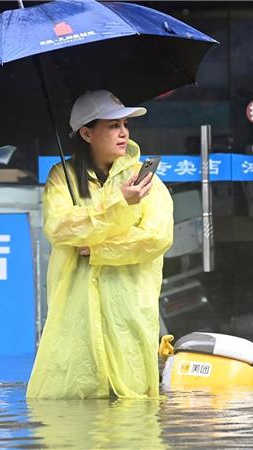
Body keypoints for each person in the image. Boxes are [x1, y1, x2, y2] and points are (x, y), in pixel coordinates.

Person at [26, 90, 174, 399]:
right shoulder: (61, 178)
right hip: (75, 311)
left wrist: (98, 250)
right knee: (72, 404)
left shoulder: (144, 180)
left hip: (129, 309)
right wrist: (120, 204)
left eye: (125, 124)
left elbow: (156, 237)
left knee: (134, 411)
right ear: (86, 133)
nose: (124, 132)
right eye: (112, 125)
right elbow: (59, 227)